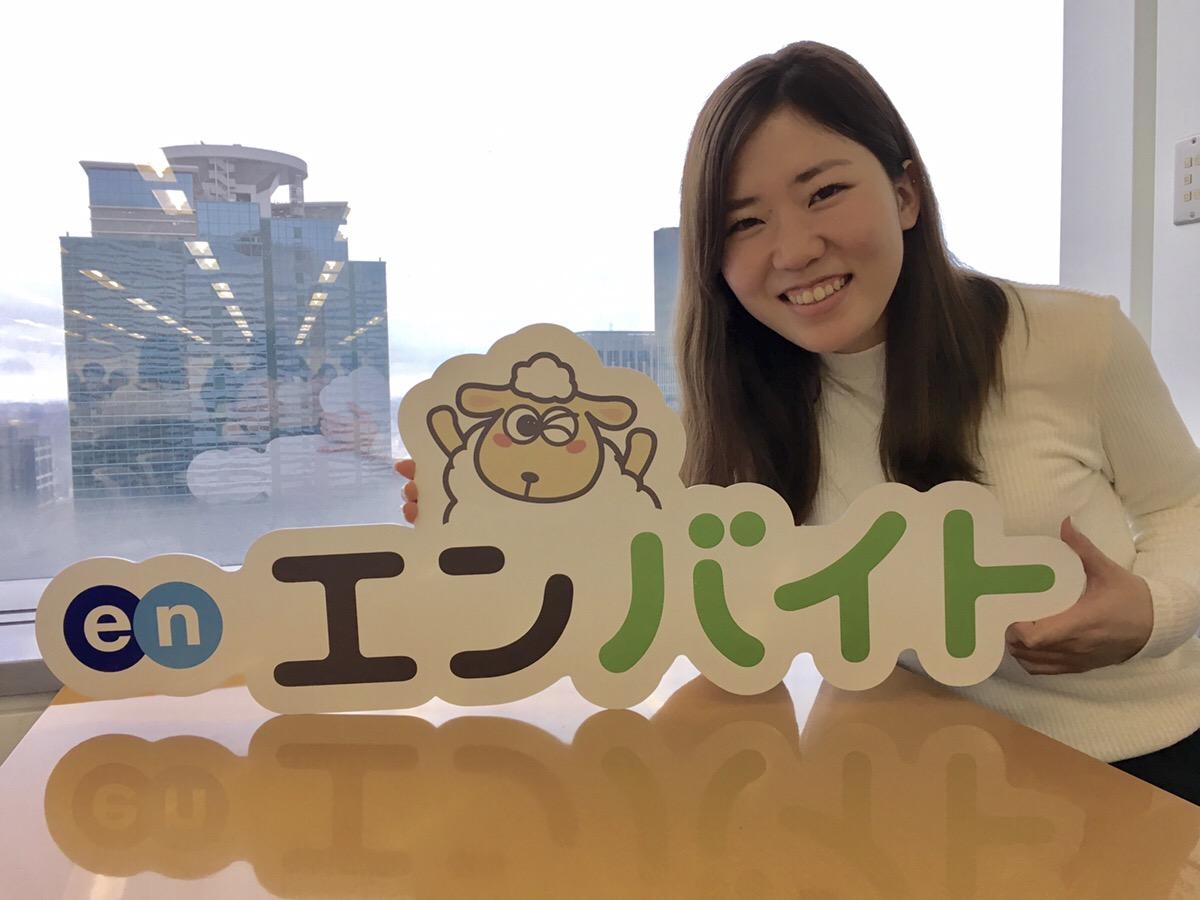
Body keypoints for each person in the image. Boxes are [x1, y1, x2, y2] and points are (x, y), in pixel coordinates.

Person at [395, 41, 1200, 804]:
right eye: (745, 222)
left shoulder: (1072, 337)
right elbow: (640, 570)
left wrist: (1153, 612)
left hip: (1142, 762)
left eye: (824, 194)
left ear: (906, 194)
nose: (794, 250)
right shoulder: (733, 409)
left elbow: (1181, 505)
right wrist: (494, 521)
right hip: (913, 770)